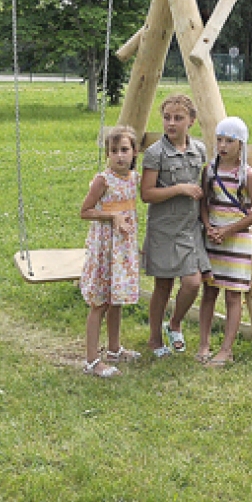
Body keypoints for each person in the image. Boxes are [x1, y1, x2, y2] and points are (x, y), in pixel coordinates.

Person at [140, 93, 210, 357]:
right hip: (165, 229)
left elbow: (202, 188)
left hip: (190, 228)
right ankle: (155, 339)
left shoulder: (198, 150)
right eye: (167, 117)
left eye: (178, 118)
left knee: (193, 282)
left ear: (191, 121)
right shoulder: (155, 153)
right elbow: (146, 194)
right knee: (163, 285)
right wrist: (178, 189)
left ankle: (175, 323)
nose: (171, 123)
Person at [197, 117, 252, 367]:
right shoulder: (210, 170)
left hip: (236, 242)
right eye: (219, 140)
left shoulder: (247, 176)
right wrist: (208, 226)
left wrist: (229, 230)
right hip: (213, 237)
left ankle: (226, 349)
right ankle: (204, 344)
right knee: (209, 291)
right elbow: (204, 202)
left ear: (241, 144)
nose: (223, 146)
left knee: (233, 296)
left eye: (229, 141)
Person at [78, 124, 141, 378]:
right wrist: (112, 216)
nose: (119, 156)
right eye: (113, 150)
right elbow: (85, 211)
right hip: (105, 248)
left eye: (124, 150)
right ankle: (92, 360)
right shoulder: (103, 180)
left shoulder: (133, 179)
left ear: (134, 152)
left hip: (122, 248)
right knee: (100, 303)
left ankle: (114, 349)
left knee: (117, 300)